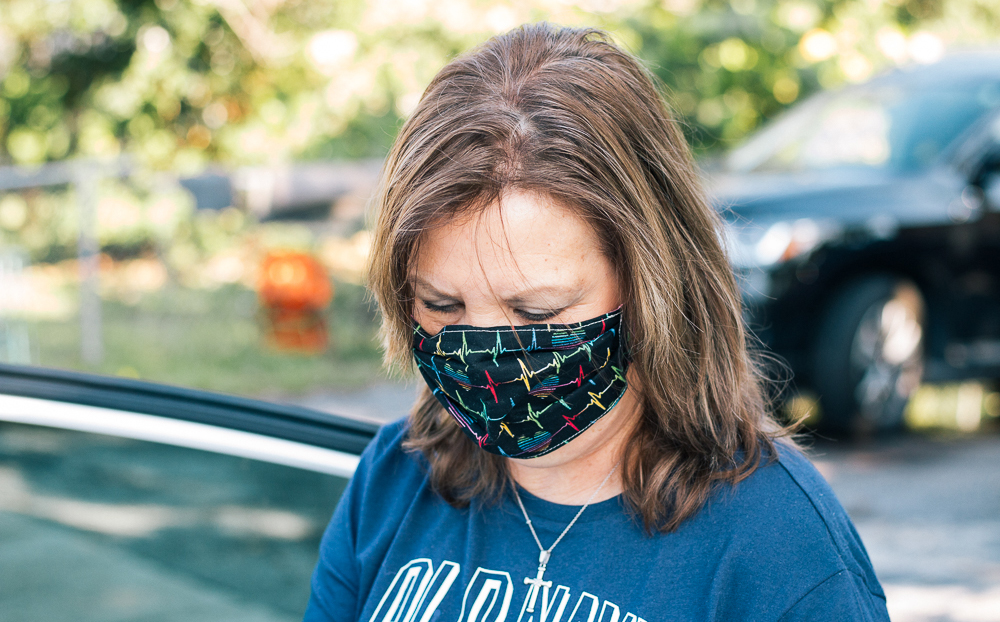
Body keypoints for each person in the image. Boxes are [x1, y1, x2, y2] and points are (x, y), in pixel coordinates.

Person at [303, 23, 890, 622]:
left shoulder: (777, 543)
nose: (483, 356)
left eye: (536, 312)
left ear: (650, 285)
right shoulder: (397, 476)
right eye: (442, 306)